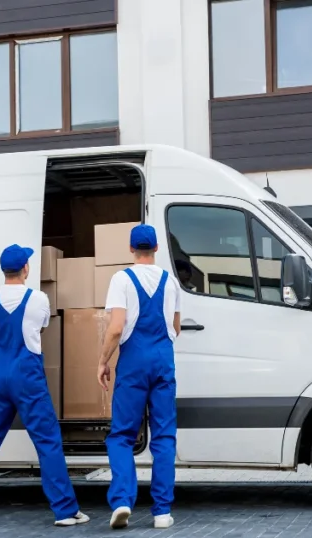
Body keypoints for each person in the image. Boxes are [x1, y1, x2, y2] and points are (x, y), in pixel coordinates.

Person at [0, 244, 89, 528]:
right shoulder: (39, 299)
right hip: (28, 377)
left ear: (4, 270)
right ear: (26, 269)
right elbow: (41, 329)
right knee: (47, 441)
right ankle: (65, 512)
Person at [97, 225, 182, 530]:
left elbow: (116, 327)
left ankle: (121, 501)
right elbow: (176, 326)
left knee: (121, 435)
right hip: (162, 362)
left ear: (131, 249)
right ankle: (161, 512)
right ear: (157, 248)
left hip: (133, 364)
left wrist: (103, 362)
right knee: (163, 437)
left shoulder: (121, 279)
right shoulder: (170, 281)